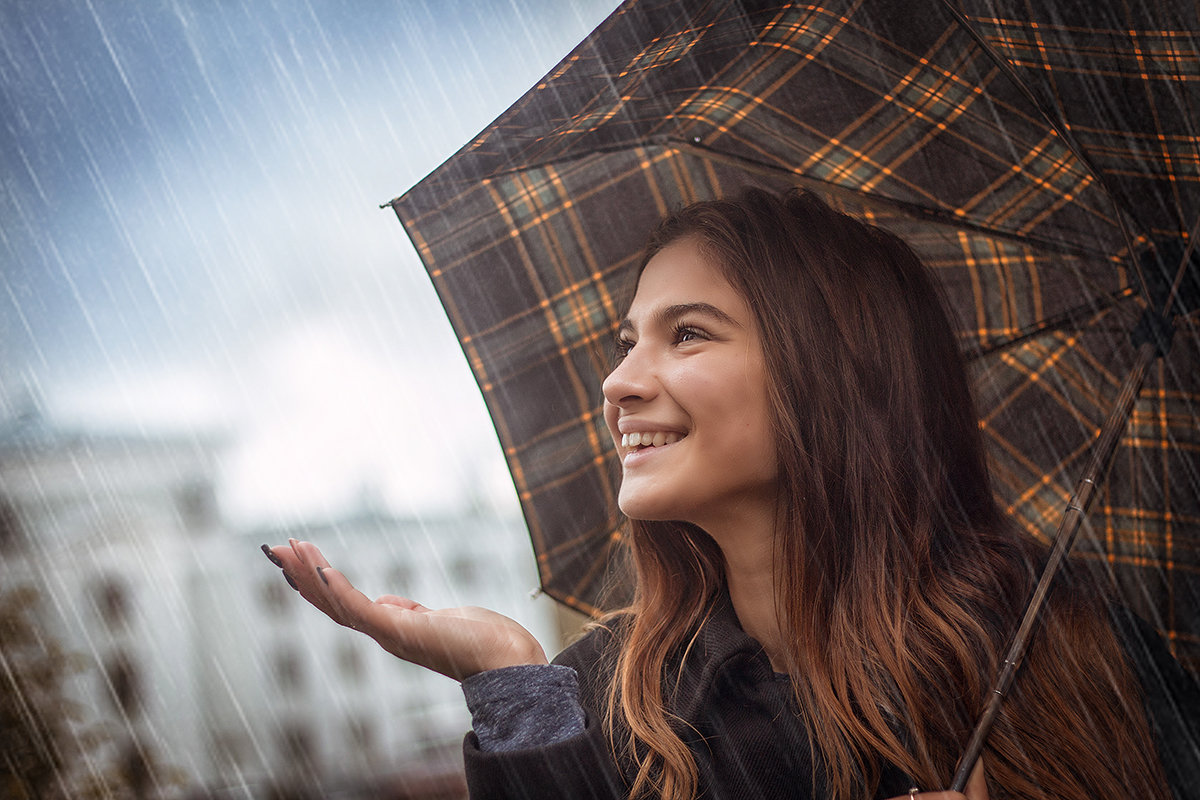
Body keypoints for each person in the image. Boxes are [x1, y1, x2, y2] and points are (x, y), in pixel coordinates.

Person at [264, 188, 1199, 800]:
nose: (620, 382)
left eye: (690, 334)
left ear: (835, 374)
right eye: (627, 340)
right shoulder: (611, 701)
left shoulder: (1054, 644)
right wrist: (512, 689)